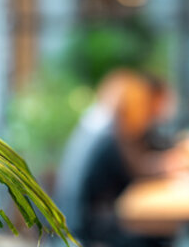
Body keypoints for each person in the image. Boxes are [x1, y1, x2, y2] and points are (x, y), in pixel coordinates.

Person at [54, 69, 177, 246]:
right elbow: (134, 173)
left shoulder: (97, 125)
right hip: (86, 231)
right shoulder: (108, 137)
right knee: (152, 236)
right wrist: (164, 167)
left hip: (76, 221)